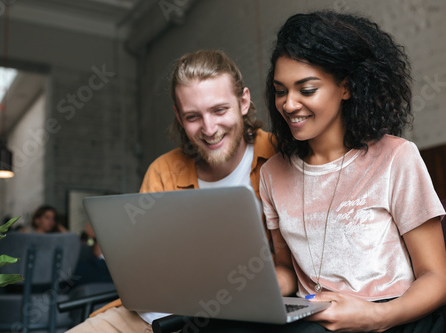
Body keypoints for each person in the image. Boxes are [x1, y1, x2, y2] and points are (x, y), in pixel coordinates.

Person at [259, 10, 446, 332]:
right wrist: (251, 293)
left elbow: (437, 278)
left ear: (346, 88)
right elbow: (284, 265)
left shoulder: (396, 158)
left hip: (392, 315)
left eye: (306, 90)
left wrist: (376, 318)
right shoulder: (272, 173)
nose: (288, 104)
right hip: (315, 313)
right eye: (280, 91)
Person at [66, 49, 276, 332]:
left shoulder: (279, 156)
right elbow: (139, 269)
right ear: (178, 116)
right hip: (152, 316)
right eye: (193, 116)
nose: (209, 128)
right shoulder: (163, 171)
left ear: (244, 101)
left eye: (219, 110)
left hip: (238, 318)